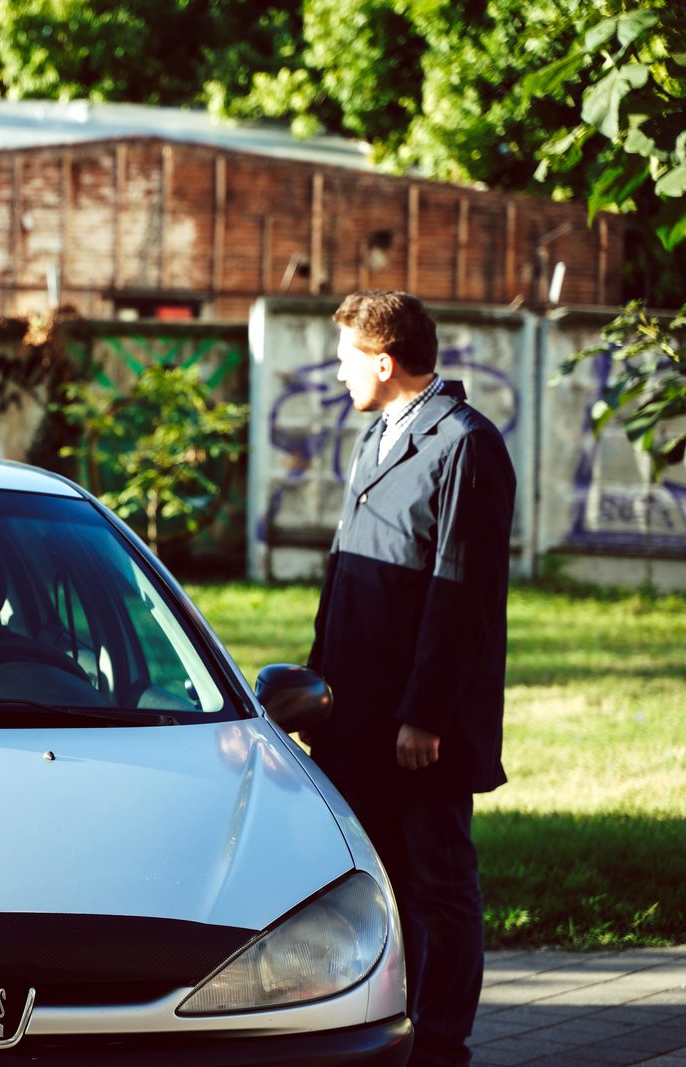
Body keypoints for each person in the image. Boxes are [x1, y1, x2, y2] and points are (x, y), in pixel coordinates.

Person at [306, 290, 514, 1067]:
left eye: (346, 359)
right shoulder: (377, 435)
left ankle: (442, 1041)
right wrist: (316, 684)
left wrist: (425, 714)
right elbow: (345, 573)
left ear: (384, 361)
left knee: (438, 882)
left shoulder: (465, 445)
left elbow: (460, 594)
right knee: (380, 884)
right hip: (356, 715)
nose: (338, 373)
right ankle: (393, 1026)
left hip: (418, 728)